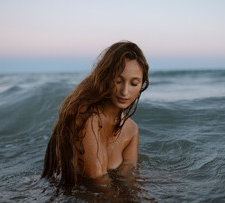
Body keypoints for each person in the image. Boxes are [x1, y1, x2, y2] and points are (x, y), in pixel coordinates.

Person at [41, 41, 149, 187]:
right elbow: (97, 181)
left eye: (134, 83)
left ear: (141, 84)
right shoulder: (87, 117)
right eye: (118, 81)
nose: (125, 91)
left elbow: (129, 177)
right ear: (106, 77)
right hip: (59, 197)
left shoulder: (131, 130)